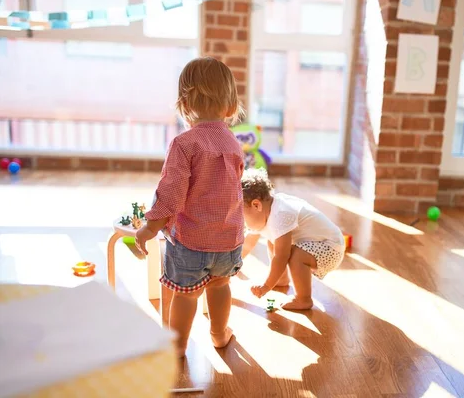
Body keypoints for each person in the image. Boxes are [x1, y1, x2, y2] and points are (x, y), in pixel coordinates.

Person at [135, 57, 245, 355]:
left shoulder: (185, 143)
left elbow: (171, 193)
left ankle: (178, 348)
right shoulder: (233, 143)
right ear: (232, 106)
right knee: (220, 287)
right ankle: (220, 334)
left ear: (184, 104)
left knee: (186, 296)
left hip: (191, 243)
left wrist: (150, 227)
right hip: (228, 240)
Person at [241, 169, 345, 310]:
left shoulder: (280, 214)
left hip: (330, 248)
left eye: (241, 217)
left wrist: (266, 286)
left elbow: (281, 256)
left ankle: (303, 299)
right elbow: (248, 244)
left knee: (294, 256)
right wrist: (233, 265)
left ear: (256, 205)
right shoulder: (264, 213)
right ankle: (281, 279)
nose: (241, 223)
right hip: (313, 245)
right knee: (273, 242)